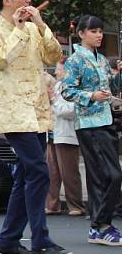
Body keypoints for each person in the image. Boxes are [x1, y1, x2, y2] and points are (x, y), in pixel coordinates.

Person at [0, 0, 70, 254]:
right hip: (16, 113)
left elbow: (54, 55)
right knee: (39, 171)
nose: (29, 0)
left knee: (26, 175)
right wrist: (18, 29)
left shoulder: (33, 28)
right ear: (7, 0)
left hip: (38, 110)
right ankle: (40, 241)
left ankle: (8, 240)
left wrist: (40, 25)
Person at [61, 15, 122, 246]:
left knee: (108, 176)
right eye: (94, 31)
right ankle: (102, 225)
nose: (99, 35)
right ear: (81, 33)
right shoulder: (75, 60)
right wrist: (90, 96)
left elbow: (110, 88)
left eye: (100, 31)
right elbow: (67, 91)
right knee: (106, 176)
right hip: (88, 124)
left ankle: (98, 227)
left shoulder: (103, 60)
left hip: (106, 121)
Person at [45, 61, 86, 216]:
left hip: (66, 135)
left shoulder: (75, 88)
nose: (57, 72)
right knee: (52, 172)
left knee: (69, 172)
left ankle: (76, 205)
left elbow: (70, 111)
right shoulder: (56, 87)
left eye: (60, 69)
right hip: (52, 134)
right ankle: (52, 205)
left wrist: (53, 101)